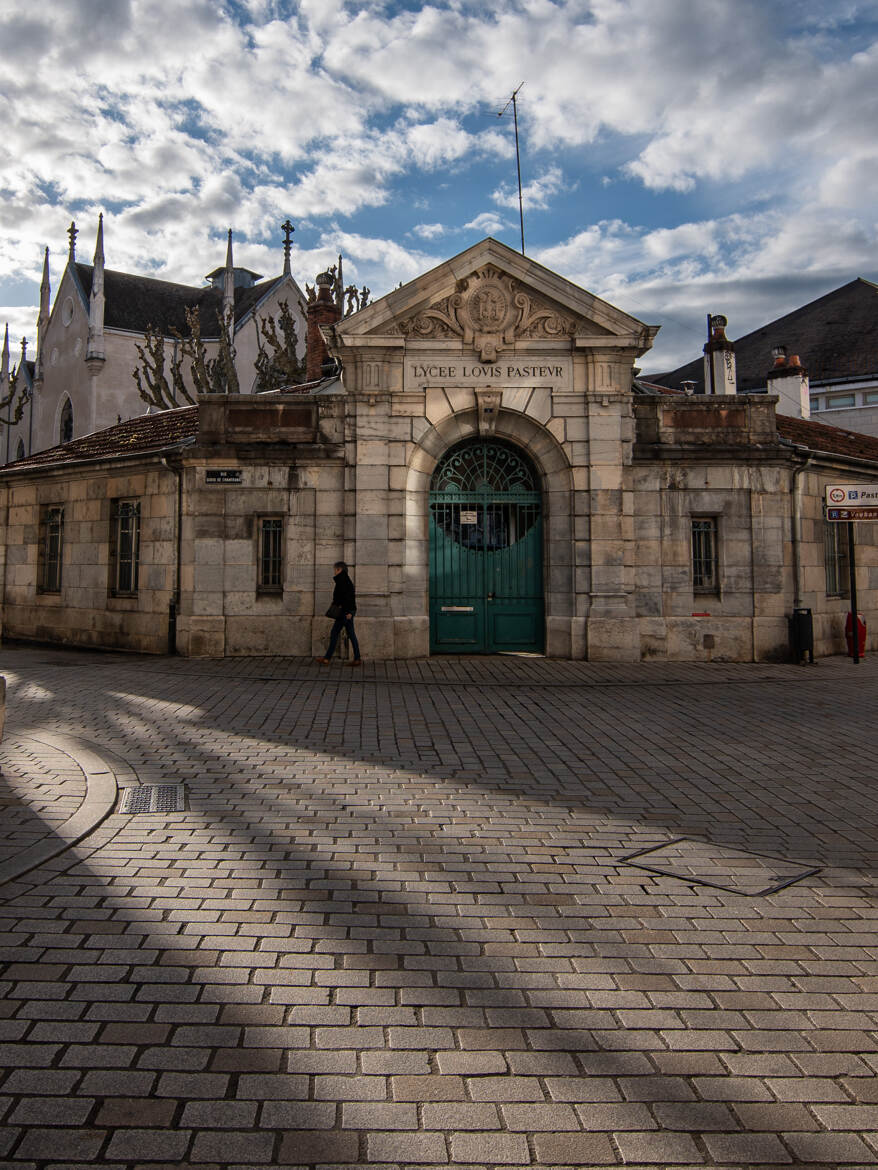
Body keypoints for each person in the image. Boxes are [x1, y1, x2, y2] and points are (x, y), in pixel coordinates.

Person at [316, 561, 362, 666]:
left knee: (337, 634)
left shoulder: (343, 581)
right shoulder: (344, 580)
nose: (334, 572)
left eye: (335, 570)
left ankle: (328, 658)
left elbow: (348, 598)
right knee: (348, 634)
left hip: (344, 613)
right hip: (345, 612)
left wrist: (350, 612)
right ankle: (356, 658)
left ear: (339, 569)